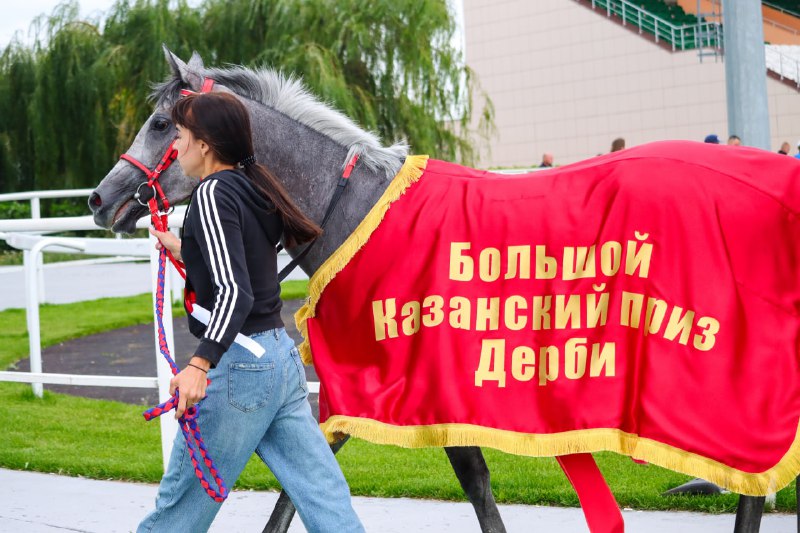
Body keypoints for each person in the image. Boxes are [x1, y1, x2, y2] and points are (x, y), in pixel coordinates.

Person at [142, 92, 364, 533]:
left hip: (239, 367)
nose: (176, 149)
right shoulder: (251, 186)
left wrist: (198, 364)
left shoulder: (209, 194)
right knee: (324, 498)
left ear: (204, 144)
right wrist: (186, 247)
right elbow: (242, 260)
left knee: (177, 513)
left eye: (181, 137)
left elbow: (233, 292)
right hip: (279, 360)